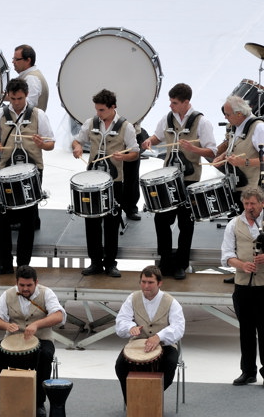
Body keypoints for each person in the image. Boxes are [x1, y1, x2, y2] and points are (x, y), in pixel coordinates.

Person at [141, 83, 217, 280]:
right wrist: (149, 141)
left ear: (186, 102)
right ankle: (165, 262)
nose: (171, 106)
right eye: (170, 101)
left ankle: (181, 264)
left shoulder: (202, 122)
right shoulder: (167, 119)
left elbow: (212, 151)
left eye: (174, 102)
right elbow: (158, 137)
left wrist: (194, 150)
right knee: (161, 219)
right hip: (168, 179)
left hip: (189, 179)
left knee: (186, 222)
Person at [0, 78, 55, 276]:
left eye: (20, 98)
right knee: (3, 216)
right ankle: (4, 262)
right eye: (13, 98)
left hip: (31, 171)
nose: (16, 102)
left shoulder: (38, 114)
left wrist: (43, 144)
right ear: (8, 96)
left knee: (28, 219)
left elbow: (51, 143)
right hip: (6, 171)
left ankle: (24, 264)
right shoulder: (1, 113)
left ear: (26, 95)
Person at [71, 89, 140, 278]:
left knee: (111, 223)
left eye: (102, 110)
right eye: (97, 110)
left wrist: (124, 156)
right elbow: (77, 141)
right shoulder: (91, 122)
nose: (98, 113)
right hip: (92, 181)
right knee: (91, 222)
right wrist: (77, 148)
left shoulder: (126, 126)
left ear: (112, 107)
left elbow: (135, 152)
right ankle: (94, 262)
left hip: (114, 182)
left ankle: (110, 263)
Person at [0, 265, 65, 417]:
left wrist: (37, 324)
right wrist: (6, 325)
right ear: (17, 282)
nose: (25, 288)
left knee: (45, 355)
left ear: (36, 282)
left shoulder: (46, 293)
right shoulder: (8, 294)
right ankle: (4, 399)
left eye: (29, 285)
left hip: (42, 338)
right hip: (13, 339)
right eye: (21, 285)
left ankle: (39, 402)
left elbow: (58, 316)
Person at [114, 265, 185, 401]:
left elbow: (179, 327)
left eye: (151, 282)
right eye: (143, 282)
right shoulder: (132, 298)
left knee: (169, 366)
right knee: (120, 366)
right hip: (137, 344)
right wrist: (130, 327)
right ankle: (132, 403)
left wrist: (159, 336)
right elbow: (121, 320)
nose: (146, 286)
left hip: (165, 346)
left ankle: (149, 401)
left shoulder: (171, 302)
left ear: (159, 283)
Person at [221, 186, 264, 385]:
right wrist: (241, 264)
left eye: (252, 204)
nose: (249, 207)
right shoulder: (233, 224)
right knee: (245, 330)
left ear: (261, 204)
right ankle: (248, 371)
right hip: (243, 286)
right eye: (246, 204)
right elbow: (227, 256)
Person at [214, 95, 264, 210]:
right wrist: (222, 156)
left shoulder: (259, 128)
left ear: (239, 113)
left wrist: (243, 162)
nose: (225, 117)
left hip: (254, 190)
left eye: (227, 114)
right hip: (239, 186)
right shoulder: (237, 126)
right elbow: (235, 148)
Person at [11, 44, 48, 110]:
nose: (13, 62)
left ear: (28, 60)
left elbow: (28, 104)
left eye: (16, 59)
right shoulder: (31, 76)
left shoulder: (32, 78)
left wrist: (8, 97)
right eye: (13, 58)